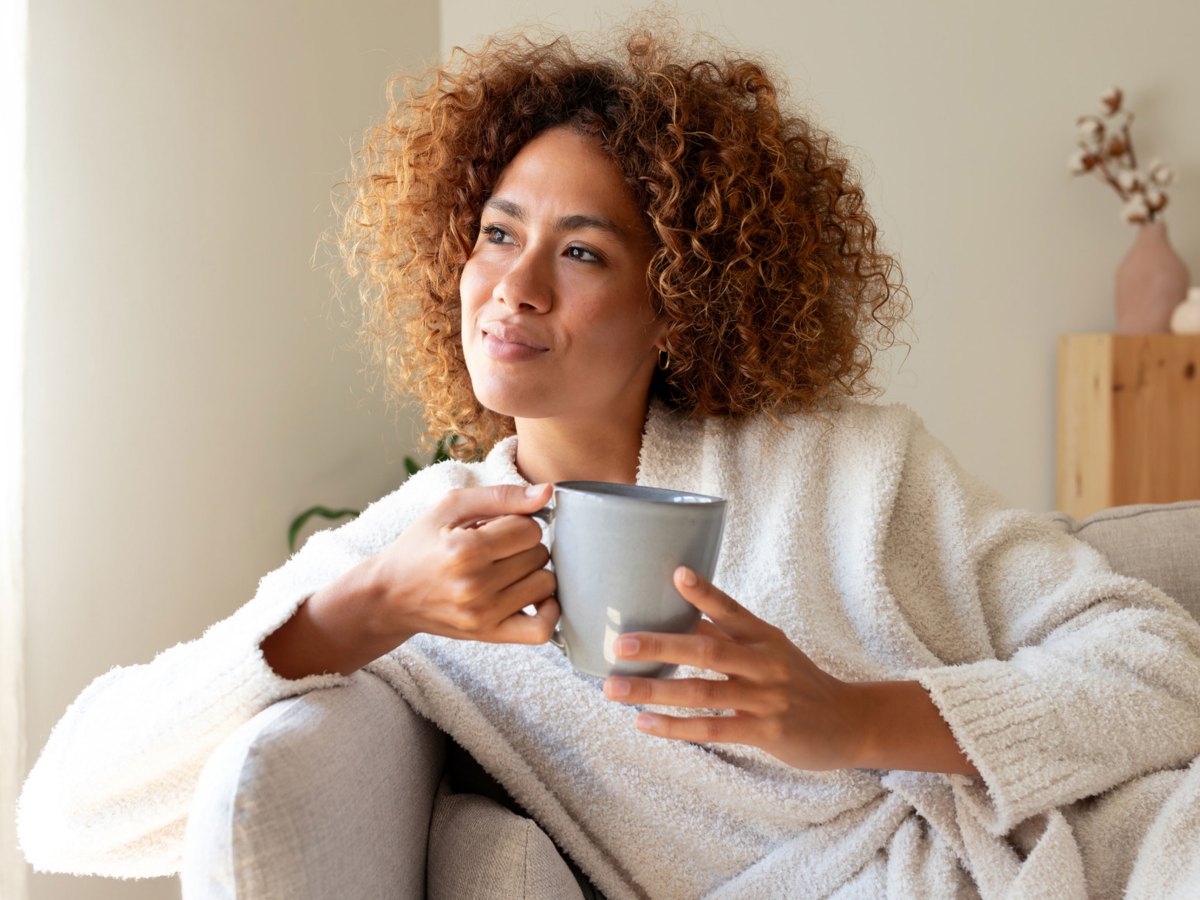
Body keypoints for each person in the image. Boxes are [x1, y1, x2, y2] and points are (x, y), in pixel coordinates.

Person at [17, 24, 1200, 898]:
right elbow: (67, 814)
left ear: (679, 303)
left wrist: (855, 719)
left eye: (581, 251)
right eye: (496, 233)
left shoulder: (847, 469)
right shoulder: (432, 549)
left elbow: (1163, 667)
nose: (513, 288)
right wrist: (363, 606)